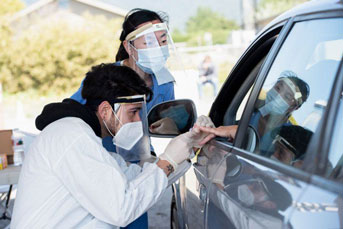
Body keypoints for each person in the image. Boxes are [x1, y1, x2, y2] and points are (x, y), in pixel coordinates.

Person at [11, 64, 214, 228]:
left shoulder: (85, 139)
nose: (138, 121)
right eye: (133, 112)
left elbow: (135, 177)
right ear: (106, 111)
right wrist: (167, 161)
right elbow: (120, 208)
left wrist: (188, 148)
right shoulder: (72, 137)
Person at [198, 71, 310, 147]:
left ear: (294, 107)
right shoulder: (251, 112)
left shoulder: (290, 136)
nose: (277, 95)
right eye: (278, 88)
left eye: (286, 96)